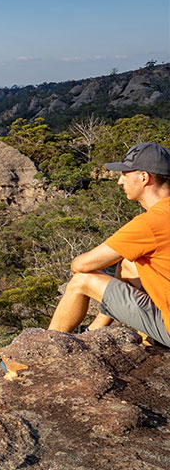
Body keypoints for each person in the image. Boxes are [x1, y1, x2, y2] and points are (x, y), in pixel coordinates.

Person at [48, 142, 170, 347]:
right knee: (128, 264)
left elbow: (81, 266)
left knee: (82, 280)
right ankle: (95, 330)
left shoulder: (150, 223)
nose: (120, 182)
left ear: (144, 177)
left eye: (125, 174)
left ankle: (44, 348)